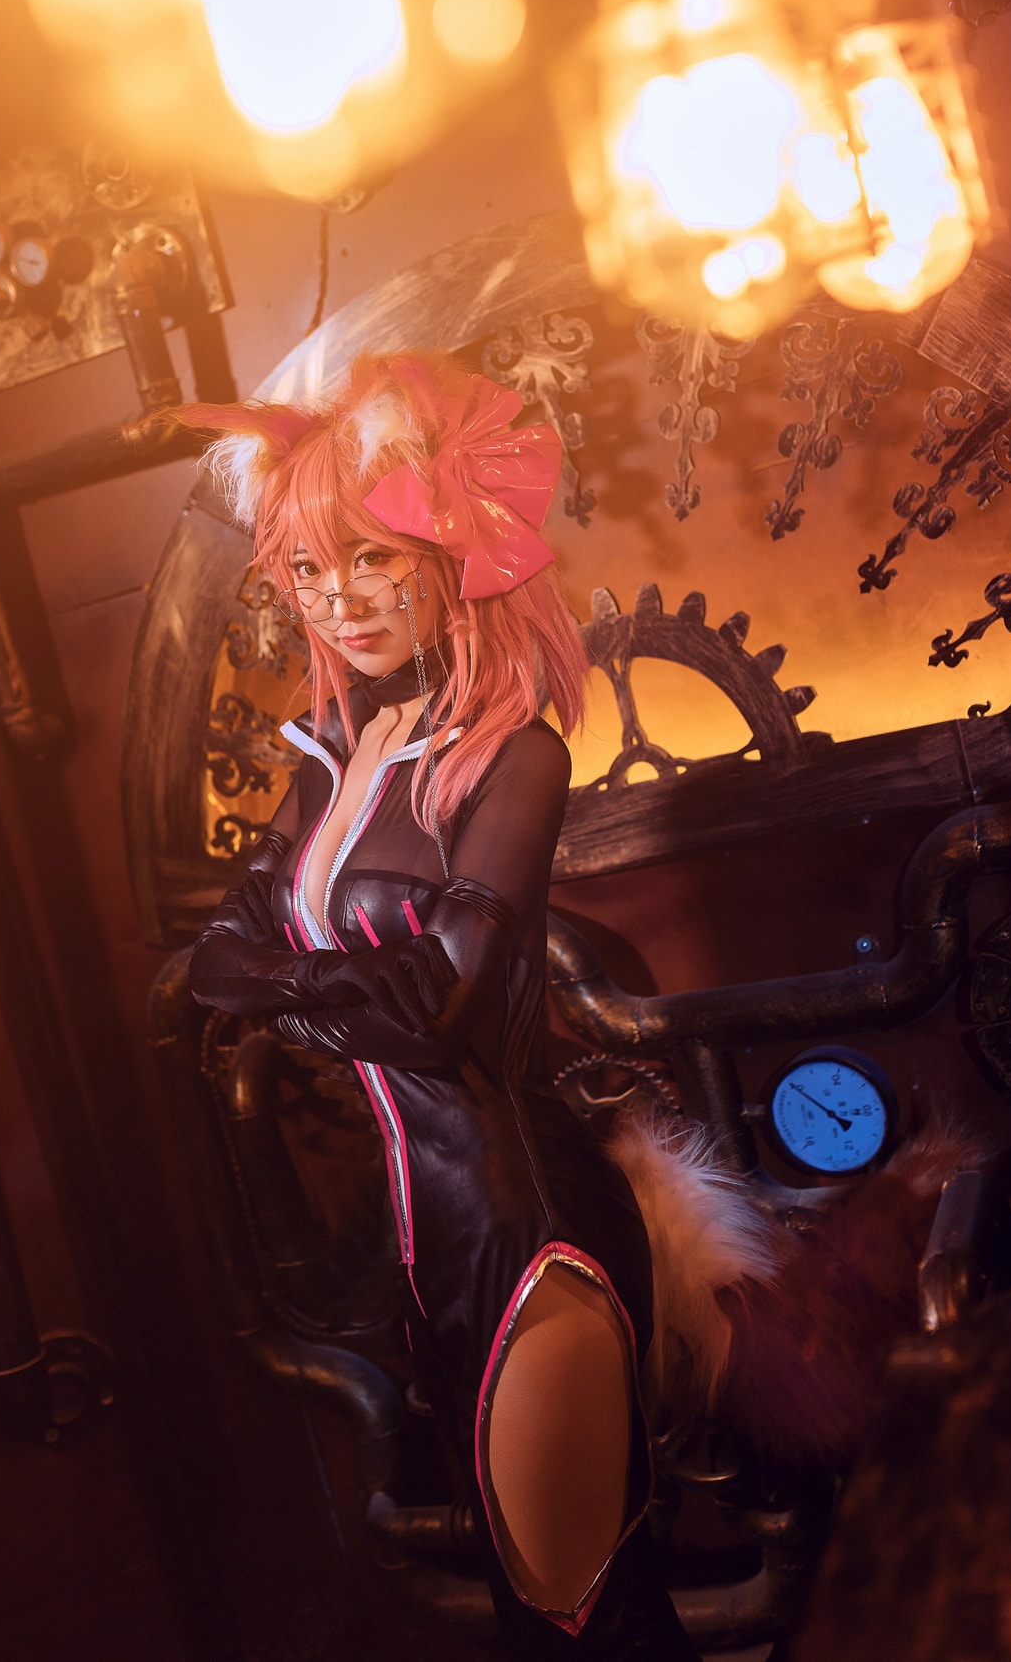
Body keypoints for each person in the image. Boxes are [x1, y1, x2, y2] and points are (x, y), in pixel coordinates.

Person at [179, 352, 699, 1661]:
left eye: (373, 558)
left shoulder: (514, 756)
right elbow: (213, 962)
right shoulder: (334, 762)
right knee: (543, 1616)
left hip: (529, 1226)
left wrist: (288, 994)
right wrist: (325, 984)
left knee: (581, 1622)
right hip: (421, 1248)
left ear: (450, 555)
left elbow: (441, 1015)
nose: (339, 599)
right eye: (310, 569)